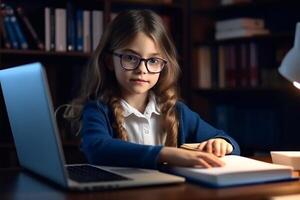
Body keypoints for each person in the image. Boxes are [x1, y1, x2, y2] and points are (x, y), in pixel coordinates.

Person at [65, 9, 240, 170]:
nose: (142, 69)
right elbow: (97, 148)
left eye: (153, 61)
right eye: (130, 58)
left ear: (163, 65)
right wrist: (166, 153)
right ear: (109, 61)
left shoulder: (176, 111)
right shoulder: (97, 109)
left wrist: (222, 143)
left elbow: (230, 142)